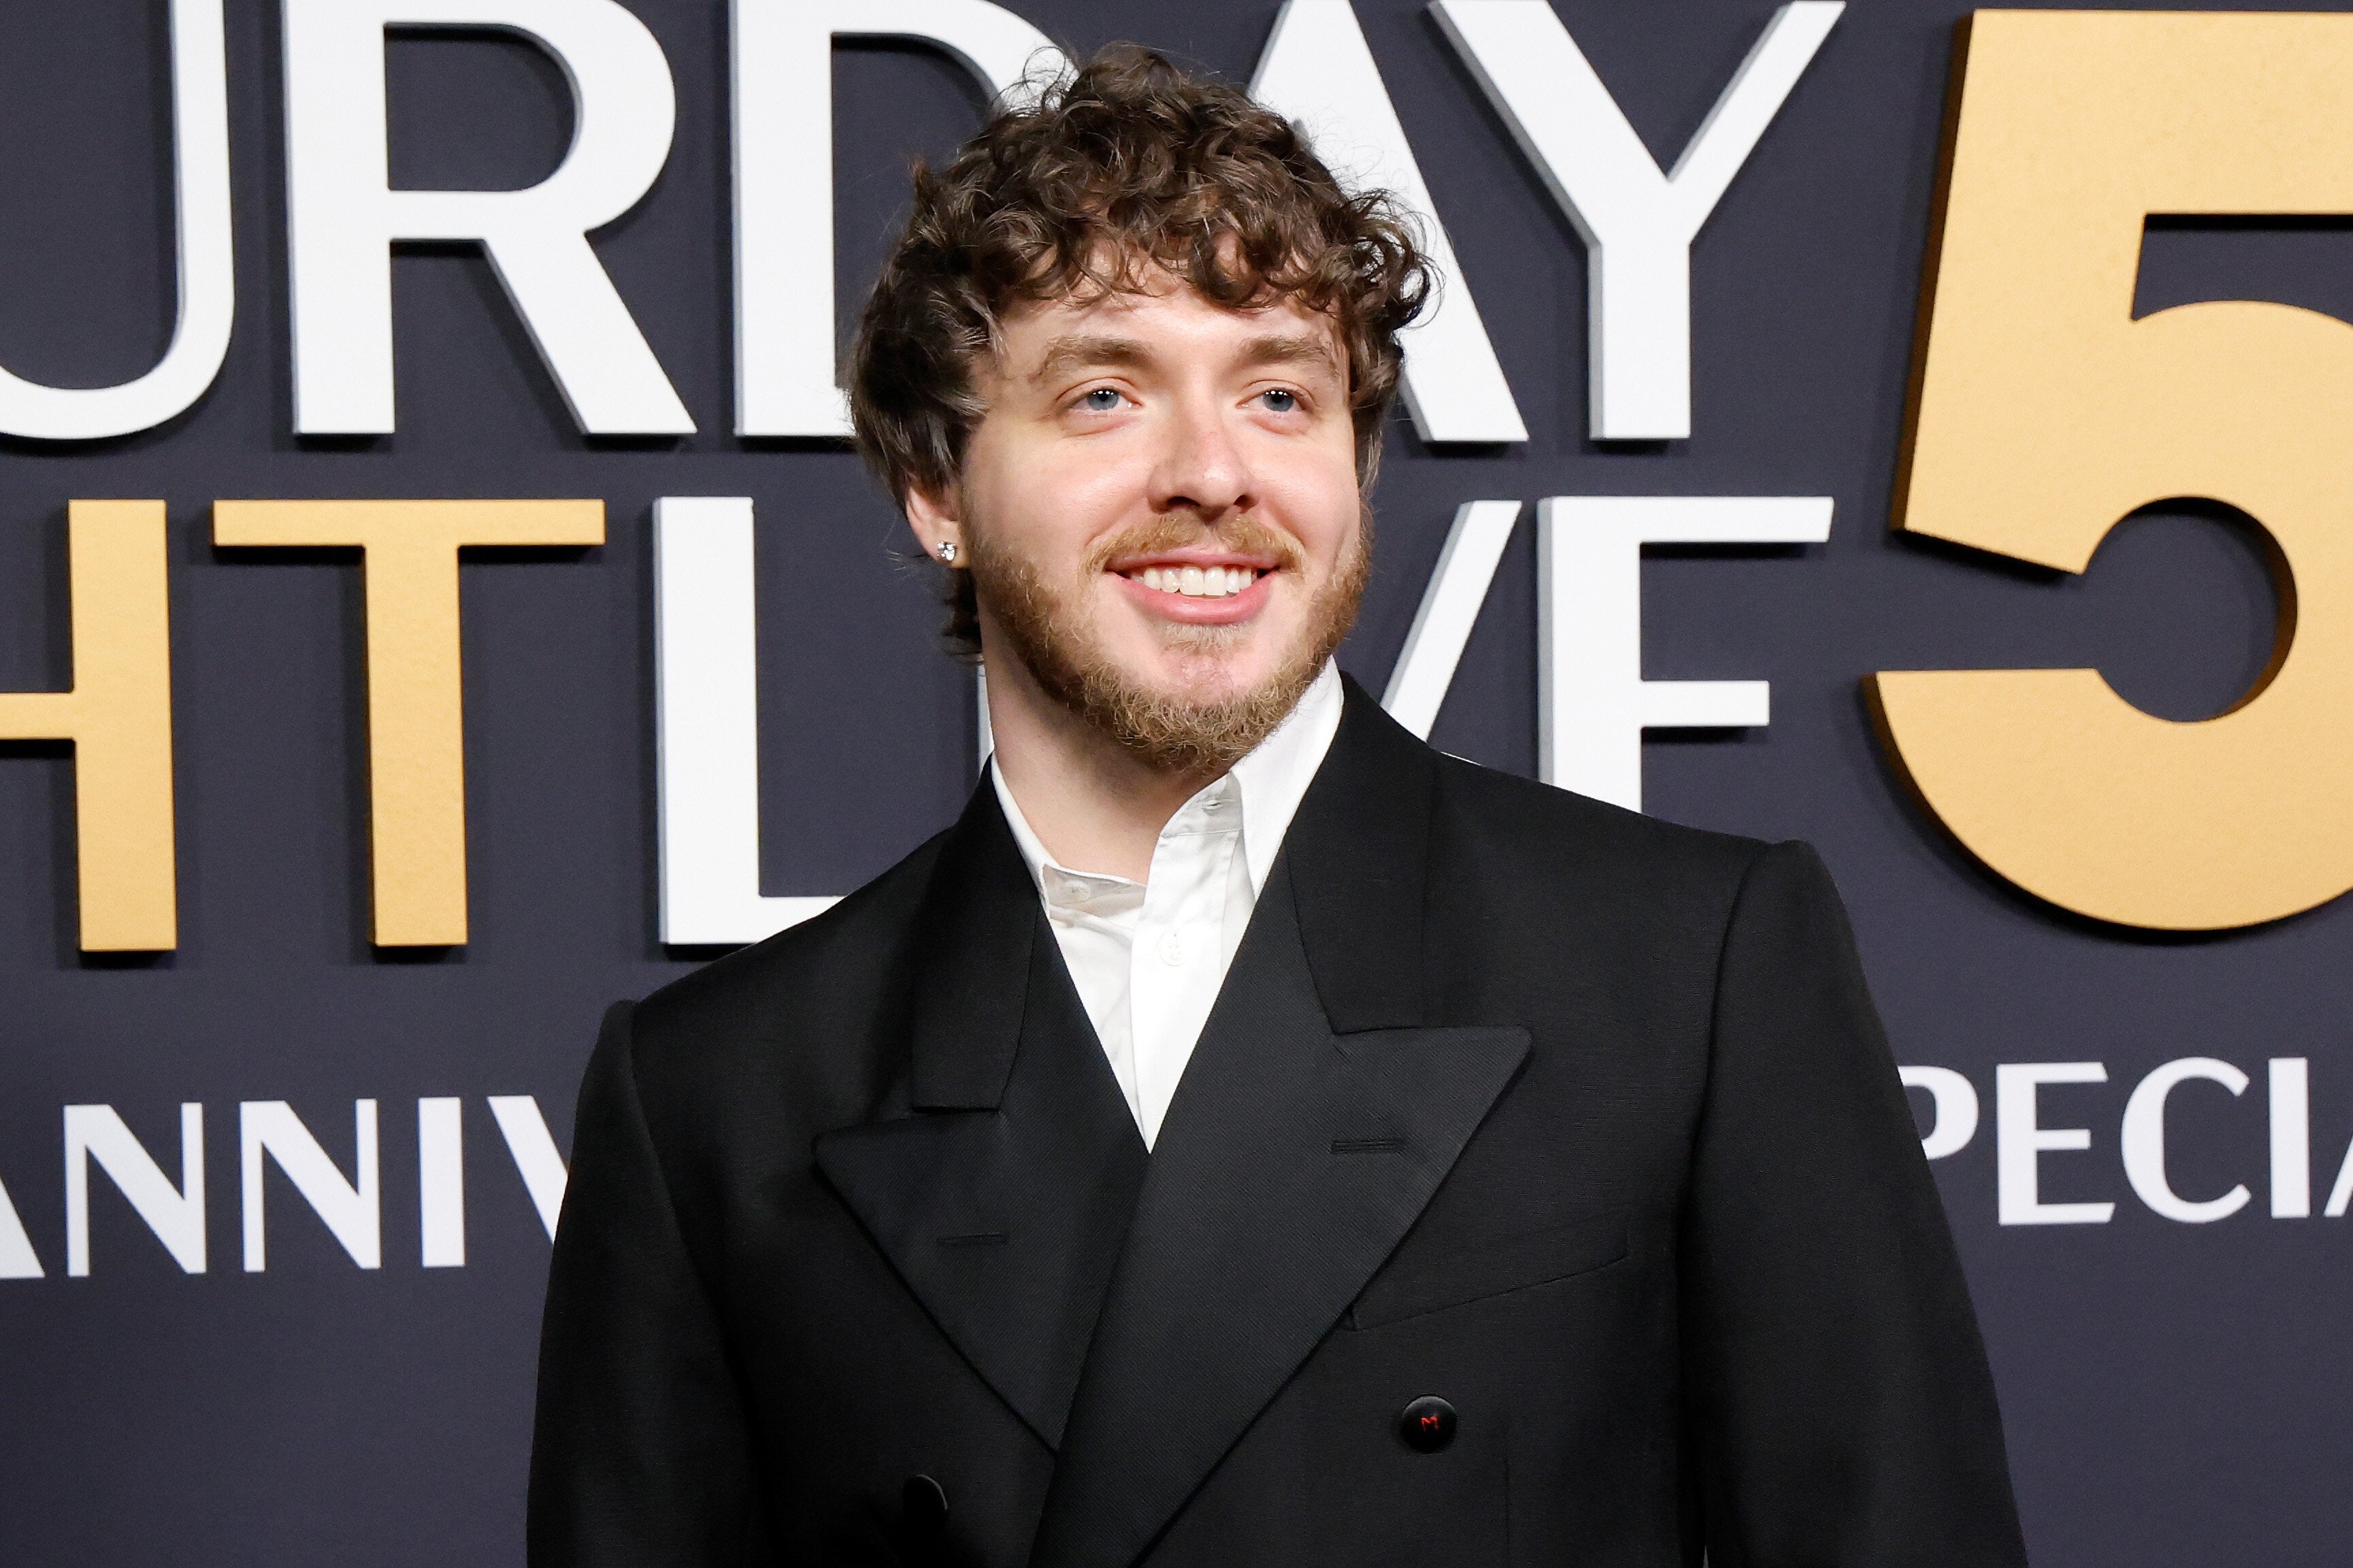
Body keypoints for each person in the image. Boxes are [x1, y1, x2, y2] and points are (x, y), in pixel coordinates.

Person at [527, 46, 2026, 1568]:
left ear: (1355, 466)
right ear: (936, 486)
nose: (1212, 472)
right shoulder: (715, 1094)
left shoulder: (1687, 967)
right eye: (1104, 393)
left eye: (1280, 395)